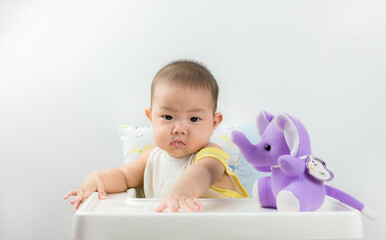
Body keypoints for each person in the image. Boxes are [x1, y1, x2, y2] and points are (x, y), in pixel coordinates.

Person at [64, 60, 248, 213]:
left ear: (214, 123)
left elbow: (203, 173)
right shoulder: (151, 157)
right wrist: (98, 179)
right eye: (168, 117)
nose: (179, 129)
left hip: (222, 229)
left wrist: (184, 189)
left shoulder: (212, 154)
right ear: (151, 118)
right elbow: (123, 177)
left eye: (194, 118)